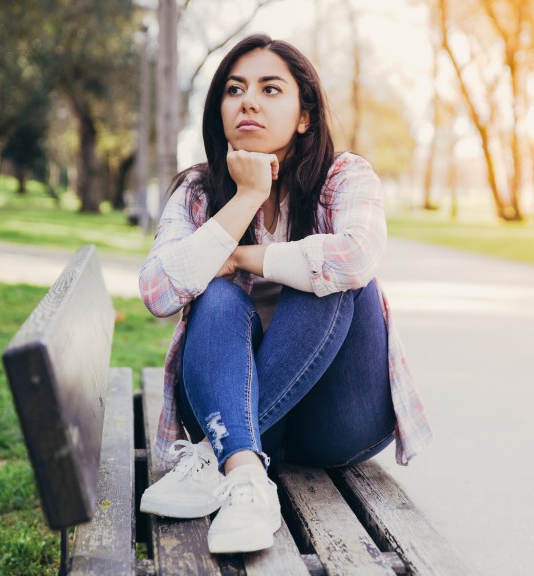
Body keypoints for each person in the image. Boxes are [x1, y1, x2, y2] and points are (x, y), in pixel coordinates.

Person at [138, 33, 432, 554]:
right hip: (226, 405)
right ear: (220, 109)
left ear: (304, 116)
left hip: (336, 420)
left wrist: (242, 257)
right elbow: (158, 292)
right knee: (218, 297)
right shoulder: (199, 192)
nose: (248, 100)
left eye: (270, 89)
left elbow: (355, 256)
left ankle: (215, 456)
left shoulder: (344, 176)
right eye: (235, 89)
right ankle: (246, 475)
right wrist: (247, 197)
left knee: (333, 279)